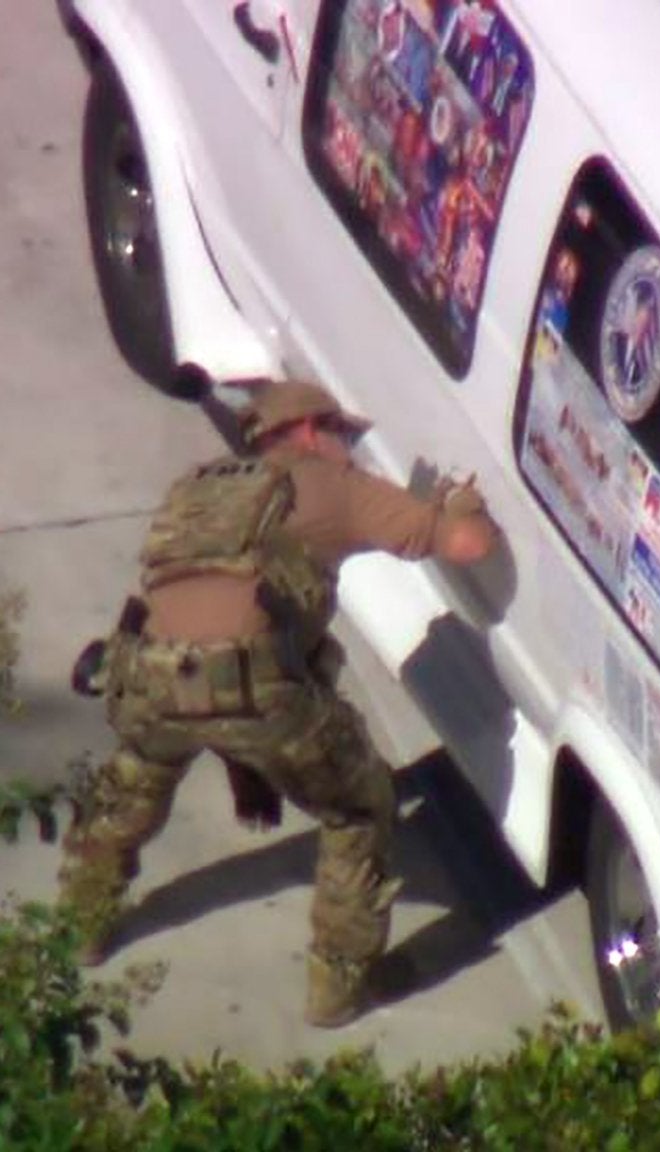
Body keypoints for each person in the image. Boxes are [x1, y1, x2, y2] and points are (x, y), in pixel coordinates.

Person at [57, 378, 503, 1028]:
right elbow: (467, 545)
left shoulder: (201, 485)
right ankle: (337, 990)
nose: (349, 449)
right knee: (358, 807)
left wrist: (248, 768)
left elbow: (206, 620)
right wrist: (461, 500)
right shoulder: (330, 485)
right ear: (305, 431)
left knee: (129, 795)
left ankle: (79, 928)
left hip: (145, 675)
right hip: (255, 693)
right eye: (341, 434)